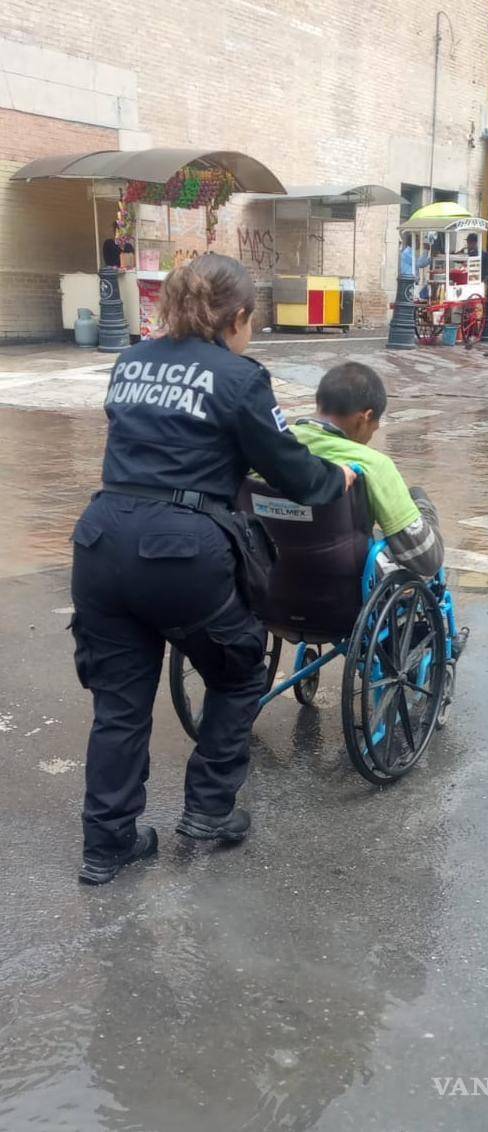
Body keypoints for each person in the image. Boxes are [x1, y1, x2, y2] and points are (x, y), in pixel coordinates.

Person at [70, 253, 356, 885]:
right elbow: (290, 469)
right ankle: (208, 810)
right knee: (236, 672)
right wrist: (335, 476)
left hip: (100, 540)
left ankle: (107, 843)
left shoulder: (130, 361)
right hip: (179, 550)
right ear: (240, 317)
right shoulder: (238, 377)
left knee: (119, 705)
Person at [292, 362, 444, 581]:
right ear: (364, 417)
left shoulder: (276, 448)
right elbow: (426, 560)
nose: (375, 431)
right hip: (345, 588)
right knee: (418, 497)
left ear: (319, 402)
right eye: (375, 424)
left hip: (276, 581)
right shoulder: (373, 465)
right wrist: (424, 509)